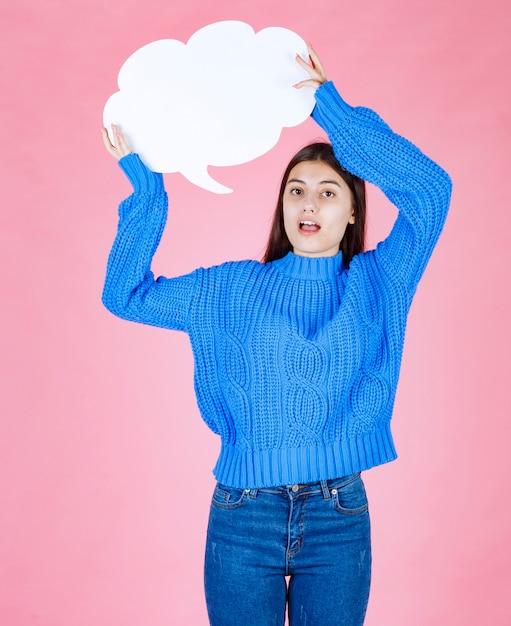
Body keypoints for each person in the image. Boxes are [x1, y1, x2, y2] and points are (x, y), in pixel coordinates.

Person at [101, 46, 451, 626]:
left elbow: (431, 193)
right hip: (244, 515)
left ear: (351, 214)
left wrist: (329, 108)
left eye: (328, 191)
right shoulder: (230, 289)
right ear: (281, 205)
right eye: (296, 189)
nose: (308, 202)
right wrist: (146, 191)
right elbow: (125, 296)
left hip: (338, 513)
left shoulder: (380, 280)